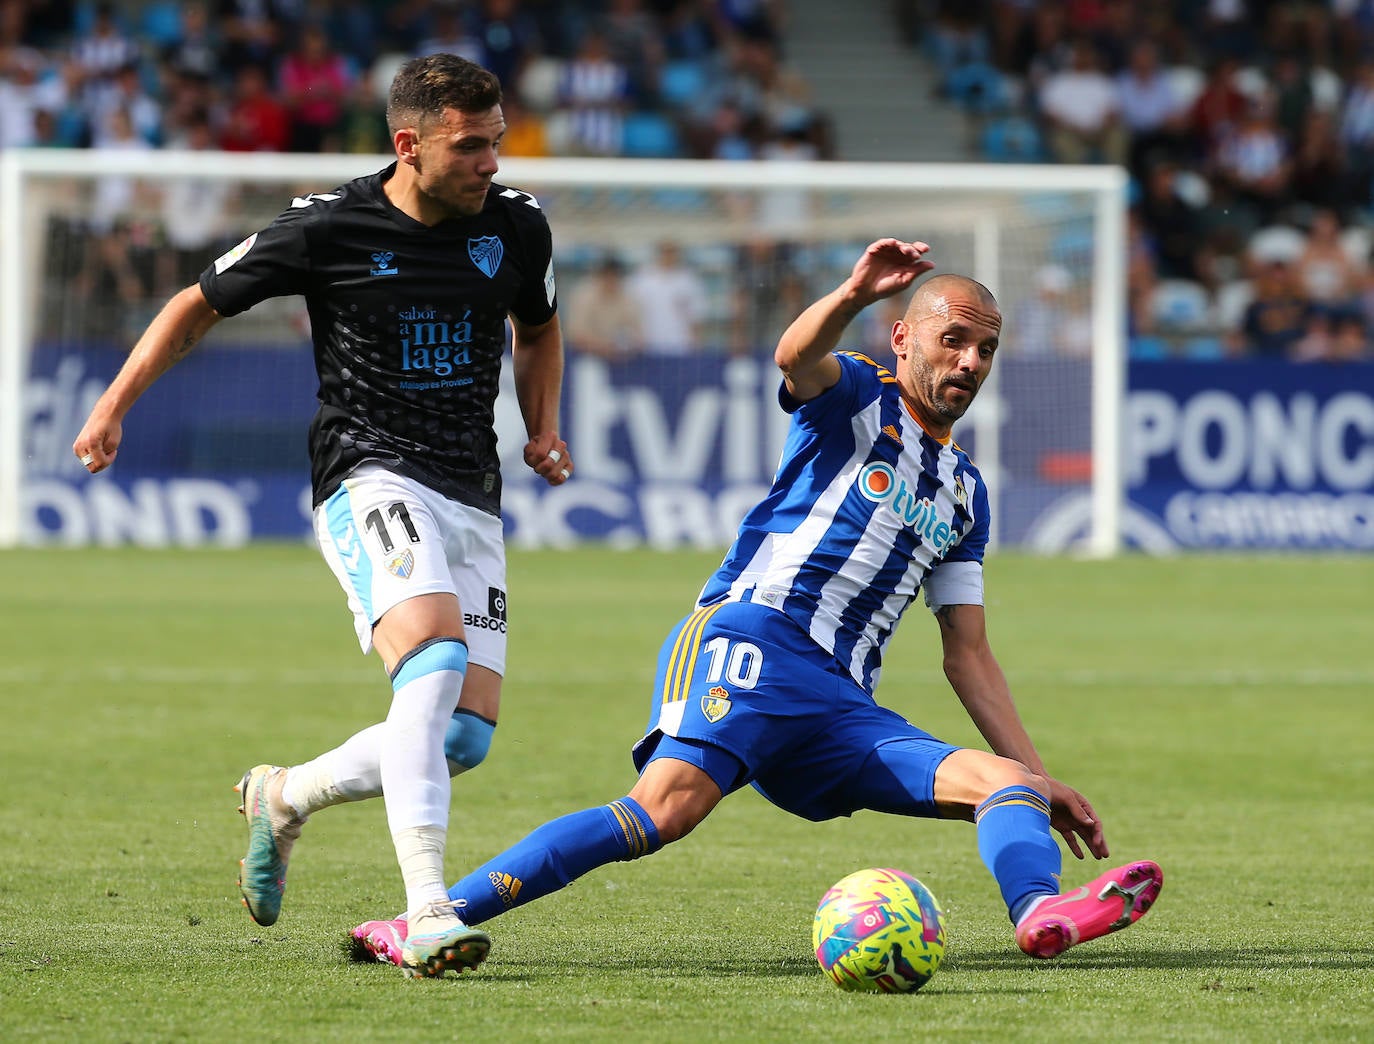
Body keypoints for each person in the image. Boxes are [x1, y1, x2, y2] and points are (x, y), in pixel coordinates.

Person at [348, 239, 1165, 971]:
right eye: (953, 340)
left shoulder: (966, 496)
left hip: (843, 704)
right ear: (904, 338)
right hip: (757, 637)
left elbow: (968, 652)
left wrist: (1038, 771)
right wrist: (851, 294)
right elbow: (794, 355)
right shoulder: (858, 397)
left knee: (1003, 784)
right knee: (663, 812)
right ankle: (428, 918)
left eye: (985, 348)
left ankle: (1040, 912)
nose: (970, 362)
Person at [71, 53, 571, 980]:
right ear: (408, 144)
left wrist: (543, 428)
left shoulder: (516, 227)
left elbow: (537, 330)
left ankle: (286, 795)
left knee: (463, 735)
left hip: (471, 490)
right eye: (470, 147)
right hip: (368, 472)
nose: (491, 164)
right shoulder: (330, 225)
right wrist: (113, 406)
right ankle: (428, 907)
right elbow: (195, 304)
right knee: (434, 658)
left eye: (496, 144)